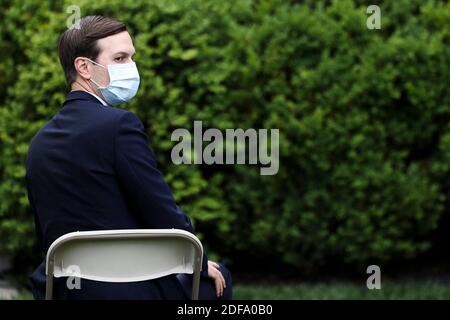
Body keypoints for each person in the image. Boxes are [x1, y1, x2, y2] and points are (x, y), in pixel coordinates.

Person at [25, 15, 232, 300]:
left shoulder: (39, 143)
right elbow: (160, 208)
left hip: (63, 291)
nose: (131, 68)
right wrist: (197, 259)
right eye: (120, 58)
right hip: (134, 289)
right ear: (84, 67)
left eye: (132, 58)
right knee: (217, 280)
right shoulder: (120, 125)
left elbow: (48, 234)